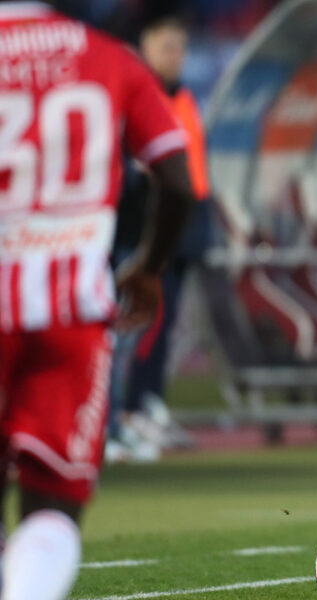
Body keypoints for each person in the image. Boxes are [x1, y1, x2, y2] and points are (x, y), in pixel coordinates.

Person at [0, 2, 195, 599]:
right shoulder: (111, 60)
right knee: (52, 507)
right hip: (72, 316)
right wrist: (149, 267)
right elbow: (178, 181)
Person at [107, 15, 212, 462]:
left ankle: (128, 417)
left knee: (144, 333)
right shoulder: (130, 94)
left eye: (181, 47)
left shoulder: (179, 96)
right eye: (167, 46)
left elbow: (188, 175)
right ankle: (115, 423)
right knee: (119, 337)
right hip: (131, 235)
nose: (177, 55)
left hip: (170, 232)